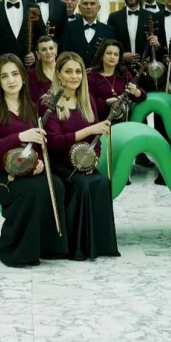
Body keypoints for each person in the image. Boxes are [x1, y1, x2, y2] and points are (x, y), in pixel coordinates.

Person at [0, 54, 69, 267]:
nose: (11, 80)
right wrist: (19, 136)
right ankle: (16, 250)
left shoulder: (30, 106)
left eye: (15, 74)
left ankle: (48, 247)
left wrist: (38, 163)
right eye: (4, 76)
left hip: (22, 171)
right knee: (30, 191)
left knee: (56, 185)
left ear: (23, 77)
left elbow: (35, 145)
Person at [43, 52, 120, 260]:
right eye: (68, 71)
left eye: (78, 71)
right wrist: (88, 130)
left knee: (102, 182)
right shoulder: (48, 101)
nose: (74, 76)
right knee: (82, 185)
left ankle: (101, 246)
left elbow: (96, 140)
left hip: (83, 162)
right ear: (58, 74)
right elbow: (54, 142)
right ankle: (77, 248)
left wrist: (92, 160)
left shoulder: (88, 101)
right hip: (59, 165)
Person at [87, 39, 146, 121]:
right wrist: (107, 102)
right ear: (102, 56)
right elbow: (88, 104)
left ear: (119, 58)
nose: (112, 57)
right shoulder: (92, 76)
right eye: (109, 53)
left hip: (123, 121)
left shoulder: (124, 74)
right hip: (100, 122)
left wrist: (136, 92)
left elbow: (142, 96)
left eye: (116, 54)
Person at [106, 0, 159, 70]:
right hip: (120, 68)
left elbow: (158, 44)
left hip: (146, 68)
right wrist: (121, 55)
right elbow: (109, 43)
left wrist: (157, 43)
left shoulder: (152, 16)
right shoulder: (113, 17)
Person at [61, 0, 115, 67]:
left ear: (99, 8)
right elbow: (64, 52)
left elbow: (111, 54)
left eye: (92, 4)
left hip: (99, 72)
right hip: (74, 71)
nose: (88, 7)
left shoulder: (108, 30)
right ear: (79, 7)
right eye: (85, 4)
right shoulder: (68, 27)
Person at [27, 35, 57, 104]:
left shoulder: (64, 70)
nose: (48, 52)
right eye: (44, 50)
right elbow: (32, 101)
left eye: (51, 48)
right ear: (38, 54)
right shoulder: (31, 75)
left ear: (55, 50)